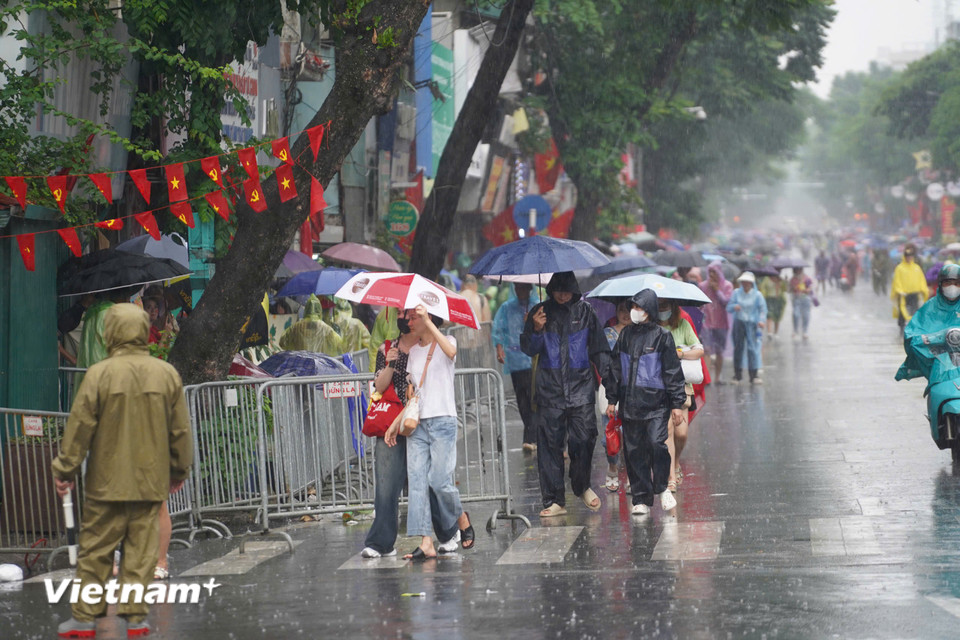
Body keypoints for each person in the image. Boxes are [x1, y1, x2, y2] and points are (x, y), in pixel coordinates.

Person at [52, 304, 192, 638]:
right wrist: (179, 470)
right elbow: (180, 430)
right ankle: (135, 619)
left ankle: (85, 619)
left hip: (106, 481)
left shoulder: (99, 374)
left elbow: (80, 426)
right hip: (150, 479)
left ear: (109, 332)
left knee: (95, 551)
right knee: (140, 553)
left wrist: (65, 469)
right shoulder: (165, 375)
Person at [520, 271, 615, 517]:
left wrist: (611, 382)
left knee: (584, 438)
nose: (563, 295)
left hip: (581, 389)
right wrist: (535, 328)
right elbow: (528, 348)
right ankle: (554, 500)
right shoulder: (539, 313)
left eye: (568, 290)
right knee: (549, 447)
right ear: (551, 289)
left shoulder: (586, 313)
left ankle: (581, 484)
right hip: (550, 391)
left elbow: (599, 349)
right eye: (559, 290)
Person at [386, 306, 473, 560]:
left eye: (414, 317)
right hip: (418, 425)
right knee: (417, 483)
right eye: (409, 317)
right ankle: (426, 541)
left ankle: (461, 517)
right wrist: (394, 424)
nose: (409, 321)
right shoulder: (412, 354)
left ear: (429, 318)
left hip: (443, 421)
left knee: (440, 480)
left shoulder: (448, 342)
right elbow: (415, 395)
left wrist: (429, 322)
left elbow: (452, 351)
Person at [361, 314, 451, 558]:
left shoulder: (430, 346)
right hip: (392, 423)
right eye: (401, 314)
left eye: (409, 315)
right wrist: (390, 363)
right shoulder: (387, 347)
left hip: (425, 422)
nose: (404, 319)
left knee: (432, 483)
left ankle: (447, 534)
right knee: (386, 485)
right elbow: (378, 387)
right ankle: (381, 543)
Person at [605, 289, 684, 515]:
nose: (635, 312)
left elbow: (672, 371)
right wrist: (612, 399)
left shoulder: (662, 336)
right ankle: (640, 498)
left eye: (639, 308)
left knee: (657, 444)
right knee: (634, 451)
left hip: (657, 405)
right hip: (630, 406)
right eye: (633, 307)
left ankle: (662, 487)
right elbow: (615, 368)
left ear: (649, 310)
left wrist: (677, 404)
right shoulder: (625, 336)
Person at [657, 298, 703, 493]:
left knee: (681, 433)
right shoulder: (651, 327)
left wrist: (681, 354)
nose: (663, 310)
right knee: (667, 432)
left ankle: (675, 461)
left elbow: (699, 350)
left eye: (666, 306)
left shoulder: (683, 324)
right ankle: (671, 478)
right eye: (659, 306)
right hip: (659, 386)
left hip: (682, 385)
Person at [492, 282, 540, 451]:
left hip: (533, 360)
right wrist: (499, 348)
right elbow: (498, 328)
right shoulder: (506, 308)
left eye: (524, 287)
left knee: (534, 398)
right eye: (518, 287)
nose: (521, 290)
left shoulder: (537, 306)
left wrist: (531, 323)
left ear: (529, 288)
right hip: (515, 361)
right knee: (522, 400)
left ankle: (530, 437)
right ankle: (531, 436)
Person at [897, 263, 960, 381]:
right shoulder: (930, 308)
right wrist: (938, 339)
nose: (952, 287)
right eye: (948, 283)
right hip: (939, 371)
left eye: (957, 284)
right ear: (941, 285)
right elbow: (911, 338)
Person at [601, 299, 632, 491]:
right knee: (609, 435)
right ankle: (612, 466)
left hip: (631, 389)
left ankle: (631, 473)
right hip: (608, 386)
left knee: (631, 436)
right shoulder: (607, 334)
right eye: (622, 310)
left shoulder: (639, 333)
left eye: (630, 310)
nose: (626, 314)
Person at [726, 272, 767, 385]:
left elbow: (763, 309)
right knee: (738, 348)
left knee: (752, 349)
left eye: (748, 283)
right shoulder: (736, 293)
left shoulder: (757, 295)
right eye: (744, 282)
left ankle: (753, 375)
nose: (745, 284)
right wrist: (735, 306)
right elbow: (728, 307)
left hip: (752, 324)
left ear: (751, 283)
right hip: (739, 323)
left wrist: (761, 321)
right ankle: (737, 375)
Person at [699, 262, 733, 384]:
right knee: (706, 350)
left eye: (714, 272)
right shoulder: (703, 285)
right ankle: (707, 378)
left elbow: (726, 302)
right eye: (710, 272)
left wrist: (717, 290)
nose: (712, 275)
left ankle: (718, 377)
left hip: (722, 323)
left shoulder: (727, 286)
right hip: (706, 322)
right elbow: (700, 303)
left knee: (719, 351)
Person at [278, 294, 344, 356]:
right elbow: (339, 345)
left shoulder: (296, 327)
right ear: (319, 309)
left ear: (306, 309)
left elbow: (282, 343)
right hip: (320, 365)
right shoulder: (327, 329)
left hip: (301, 364)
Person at [890, 244, 928, 332]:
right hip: (903, 294)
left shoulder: (916, 268)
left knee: (915, 311)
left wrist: (923, 290)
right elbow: (897, 280)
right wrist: (899, 290)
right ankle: (901, 328)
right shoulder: (899, 268)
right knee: (902, 313)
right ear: (904, 257)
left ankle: (914, 329)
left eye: (910, 256)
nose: (909, 258)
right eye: (907, 256)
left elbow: (921, 279)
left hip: (914, 294)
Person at [368, 307, 399, 372]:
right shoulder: (384, 314)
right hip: (386, 364)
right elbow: (375, 346)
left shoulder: (383, 314)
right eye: (399, 313)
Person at [788, 267, 816, 341]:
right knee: (795, 314)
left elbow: (810, 288)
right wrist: (792, 288)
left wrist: (806, 290)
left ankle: (805, 331)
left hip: (805, 299)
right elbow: (789, 290)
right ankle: (795, 330)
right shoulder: (792, 280)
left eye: (799, 269)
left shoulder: (806, 278)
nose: (797, 271)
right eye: (796, 270)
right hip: (796, 299)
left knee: (806, 316)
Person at [759, 273, 787, 339]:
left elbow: (785, 289)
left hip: (778, 299)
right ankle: (769, 332)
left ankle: (776, 332)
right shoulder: (766, 279)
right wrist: (763, 297)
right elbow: (763, 288)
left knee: (777, 316)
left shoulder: (780, 280)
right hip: (769, 299)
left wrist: (784, 282)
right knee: (769, 315)